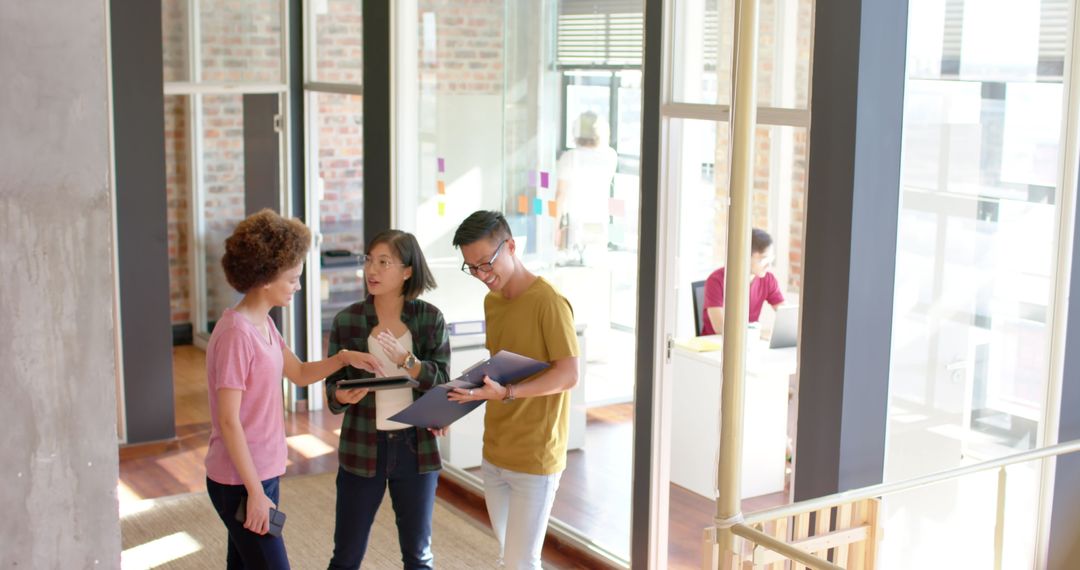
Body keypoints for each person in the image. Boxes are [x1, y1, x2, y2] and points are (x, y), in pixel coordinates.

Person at [205, 209, 385, 569]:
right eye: (293, 279)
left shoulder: (263, 324)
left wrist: (345, 357)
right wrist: (255, 492)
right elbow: (228, 421)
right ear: (265, 279)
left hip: (263, 471)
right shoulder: (236, 335)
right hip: (241, 480)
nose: (298, 287)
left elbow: (299, 372)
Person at [447, 210, 580, 569]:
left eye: (486, 263)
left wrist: (508, 394)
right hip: (496, 451)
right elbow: (502, 367)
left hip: (536, 456)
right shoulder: (492, 302)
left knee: (522, 561)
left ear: (511, 246)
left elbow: (568, 375)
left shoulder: (549, 302)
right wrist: (468, 391)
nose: (481, 275)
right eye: (472, 268)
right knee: (511, 557)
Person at [325, 230, 451, 570]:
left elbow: (442, 385)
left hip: (416, 448)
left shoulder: (429, 319)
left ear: (407, 271)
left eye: (384, 262)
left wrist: (407, 361)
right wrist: (341, 394)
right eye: (369, 260)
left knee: (418, 556)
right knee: (346, 556)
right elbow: (332, 389)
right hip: (362, 447)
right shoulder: (347, 321)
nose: (372, 270)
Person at [555, 111, 618, 266]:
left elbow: (559, 196)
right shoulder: (610, 156)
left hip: (574, 223)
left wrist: (554, 228)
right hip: (600, 222)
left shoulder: (570, 157)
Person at [701, 227, 785, 336]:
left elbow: (784, 313)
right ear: (744, 256)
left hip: (748, 342)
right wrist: (759, 334)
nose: (768, 265)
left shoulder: (768, 279)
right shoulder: (716, 280)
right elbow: (720, 328)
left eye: (770, 259)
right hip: (717, 346)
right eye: (763, 259)